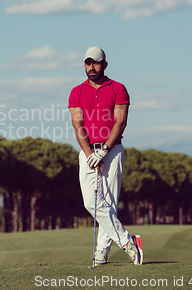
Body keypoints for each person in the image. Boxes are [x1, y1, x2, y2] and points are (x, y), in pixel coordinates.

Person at [68, 46, 143, 266]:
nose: (92, 67)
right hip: (88, 152)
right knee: (90, 202)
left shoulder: (118, 88)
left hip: (113, 150)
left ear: (105, 64)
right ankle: (128, 242)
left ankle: (101, 253)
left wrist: (105, 151)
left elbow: (120, 122)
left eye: (96, 62)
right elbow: (77, 125)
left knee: (109, 201)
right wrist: (91, 154)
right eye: (88, 63)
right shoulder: (76, 91)